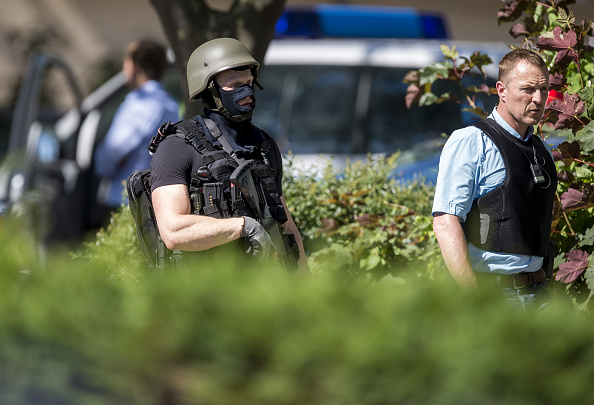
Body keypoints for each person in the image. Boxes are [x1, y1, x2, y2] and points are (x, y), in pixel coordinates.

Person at [149, 38, 309, 272]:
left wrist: (306, 283)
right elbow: (173, 230)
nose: (247, 91)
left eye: (249, 82)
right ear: (209, 90)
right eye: (235, 85)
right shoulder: (177, 148)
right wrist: (243, 227)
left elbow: (285, 225)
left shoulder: (264, 146)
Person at [432, 49, 556, 308]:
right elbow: (446, 222)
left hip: (541, 293)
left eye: (543, 89)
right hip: (494, 295)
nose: (538, 98)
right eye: (528, 89)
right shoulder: (471, 141)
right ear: (501, 90)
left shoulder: (542, 150)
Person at [94, 39, 180, 209]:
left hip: (125, 201)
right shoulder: (170, 104)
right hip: (154, 198)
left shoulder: (141, 104)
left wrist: (101, 165)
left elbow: (110, 154)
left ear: (135, 66)